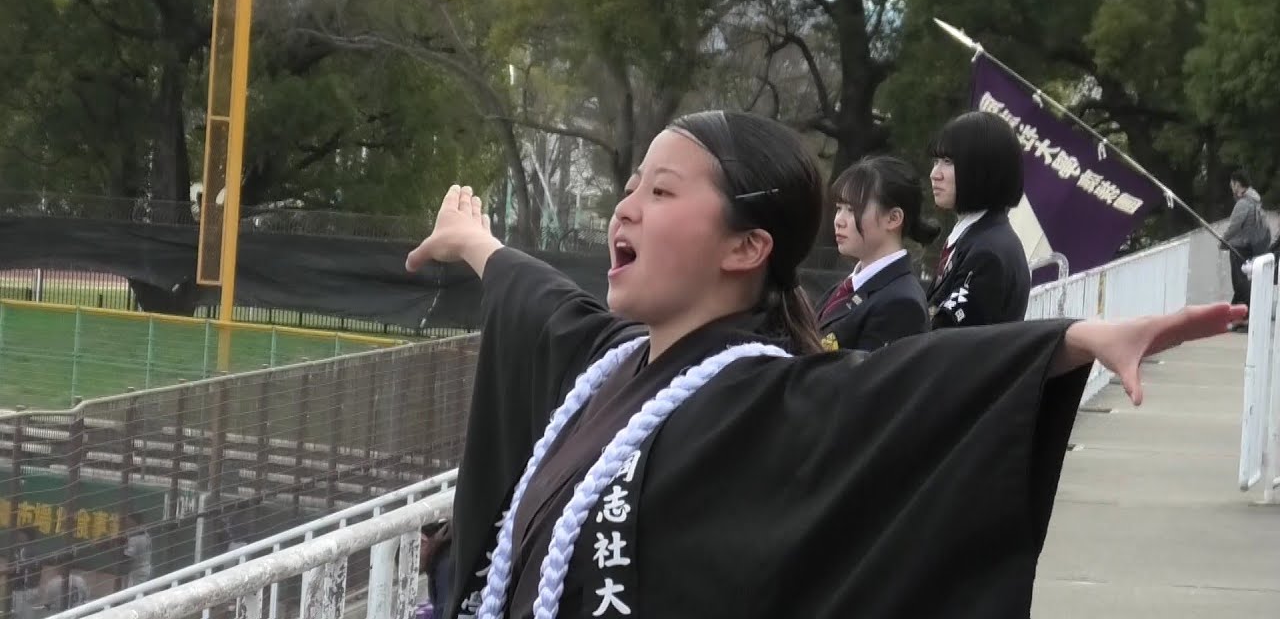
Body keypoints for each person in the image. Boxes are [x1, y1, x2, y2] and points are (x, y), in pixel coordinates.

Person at [405, 110, 1243, 619]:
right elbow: (544, 303)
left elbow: (915, 387)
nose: (626, 206)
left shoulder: (775, 403)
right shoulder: (613, 363)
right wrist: (476, 244)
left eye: (661, 192)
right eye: (632, 187)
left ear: (747, 246)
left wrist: (1070, 344)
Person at [816, 155, 938, 352]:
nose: (839, 220)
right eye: (839, 208)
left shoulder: (901, 304)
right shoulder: (847, 287)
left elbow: (868, 380)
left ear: (893, 218)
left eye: (852, 209)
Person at [927, 110, 1031, 329]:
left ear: (984, 168)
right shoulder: (976, 238)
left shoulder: (988, 253)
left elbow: (947, 339)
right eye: (936, 161)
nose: (935, 174)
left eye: (947, 161)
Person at [1222, 169, 1271, 328]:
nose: (1230, 186)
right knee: (1243, 282)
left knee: (1240, 283)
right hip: (1251, 247)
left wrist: (1223, 241)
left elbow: (1234, 227)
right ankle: (1235, 317)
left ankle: (1246, 316)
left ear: (1237, 184)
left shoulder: (1243, 203)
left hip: (1240, 247)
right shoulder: (1254, 200)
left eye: (1232, 183)